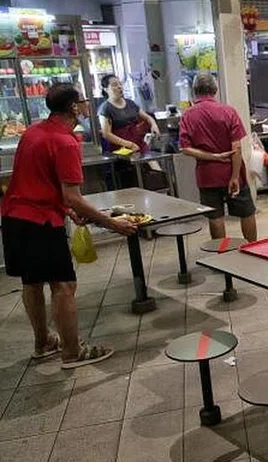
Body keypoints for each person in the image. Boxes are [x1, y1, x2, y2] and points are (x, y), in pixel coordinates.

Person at [1, 83, 137, 368]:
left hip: (13, 217)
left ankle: (43, 343)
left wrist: (68, 210)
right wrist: (112, 223)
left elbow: (40, 180)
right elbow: (72, 195)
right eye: (83, 100)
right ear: (74, 107)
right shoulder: (65, 142)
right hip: (40, 222)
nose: (87, 105)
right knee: (63, 285)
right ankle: (73, 352)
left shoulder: (33, 132)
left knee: (31, 282)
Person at [179, 74, 258, 242]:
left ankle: (221, 252)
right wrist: (235, 177)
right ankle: (252, 247)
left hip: (207, 175)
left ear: (195, 91)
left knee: (215, 217)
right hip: (232, 172)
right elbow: (236, 148)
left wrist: (213, 156)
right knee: (247, 212)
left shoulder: (188, 115)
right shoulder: (228, 111)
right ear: (215, 90)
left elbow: (185, 148)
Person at [97, 74, 160, 154]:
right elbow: (106, 134)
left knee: (151, 160)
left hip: (137, 141)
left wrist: (154, 125)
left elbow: (148, 117)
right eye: (115, 85)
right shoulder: (105, 108)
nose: (119, 87)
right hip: (120, 147)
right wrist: (129, 144)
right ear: (106, 89)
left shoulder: (130, 103)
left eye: (120, 84)